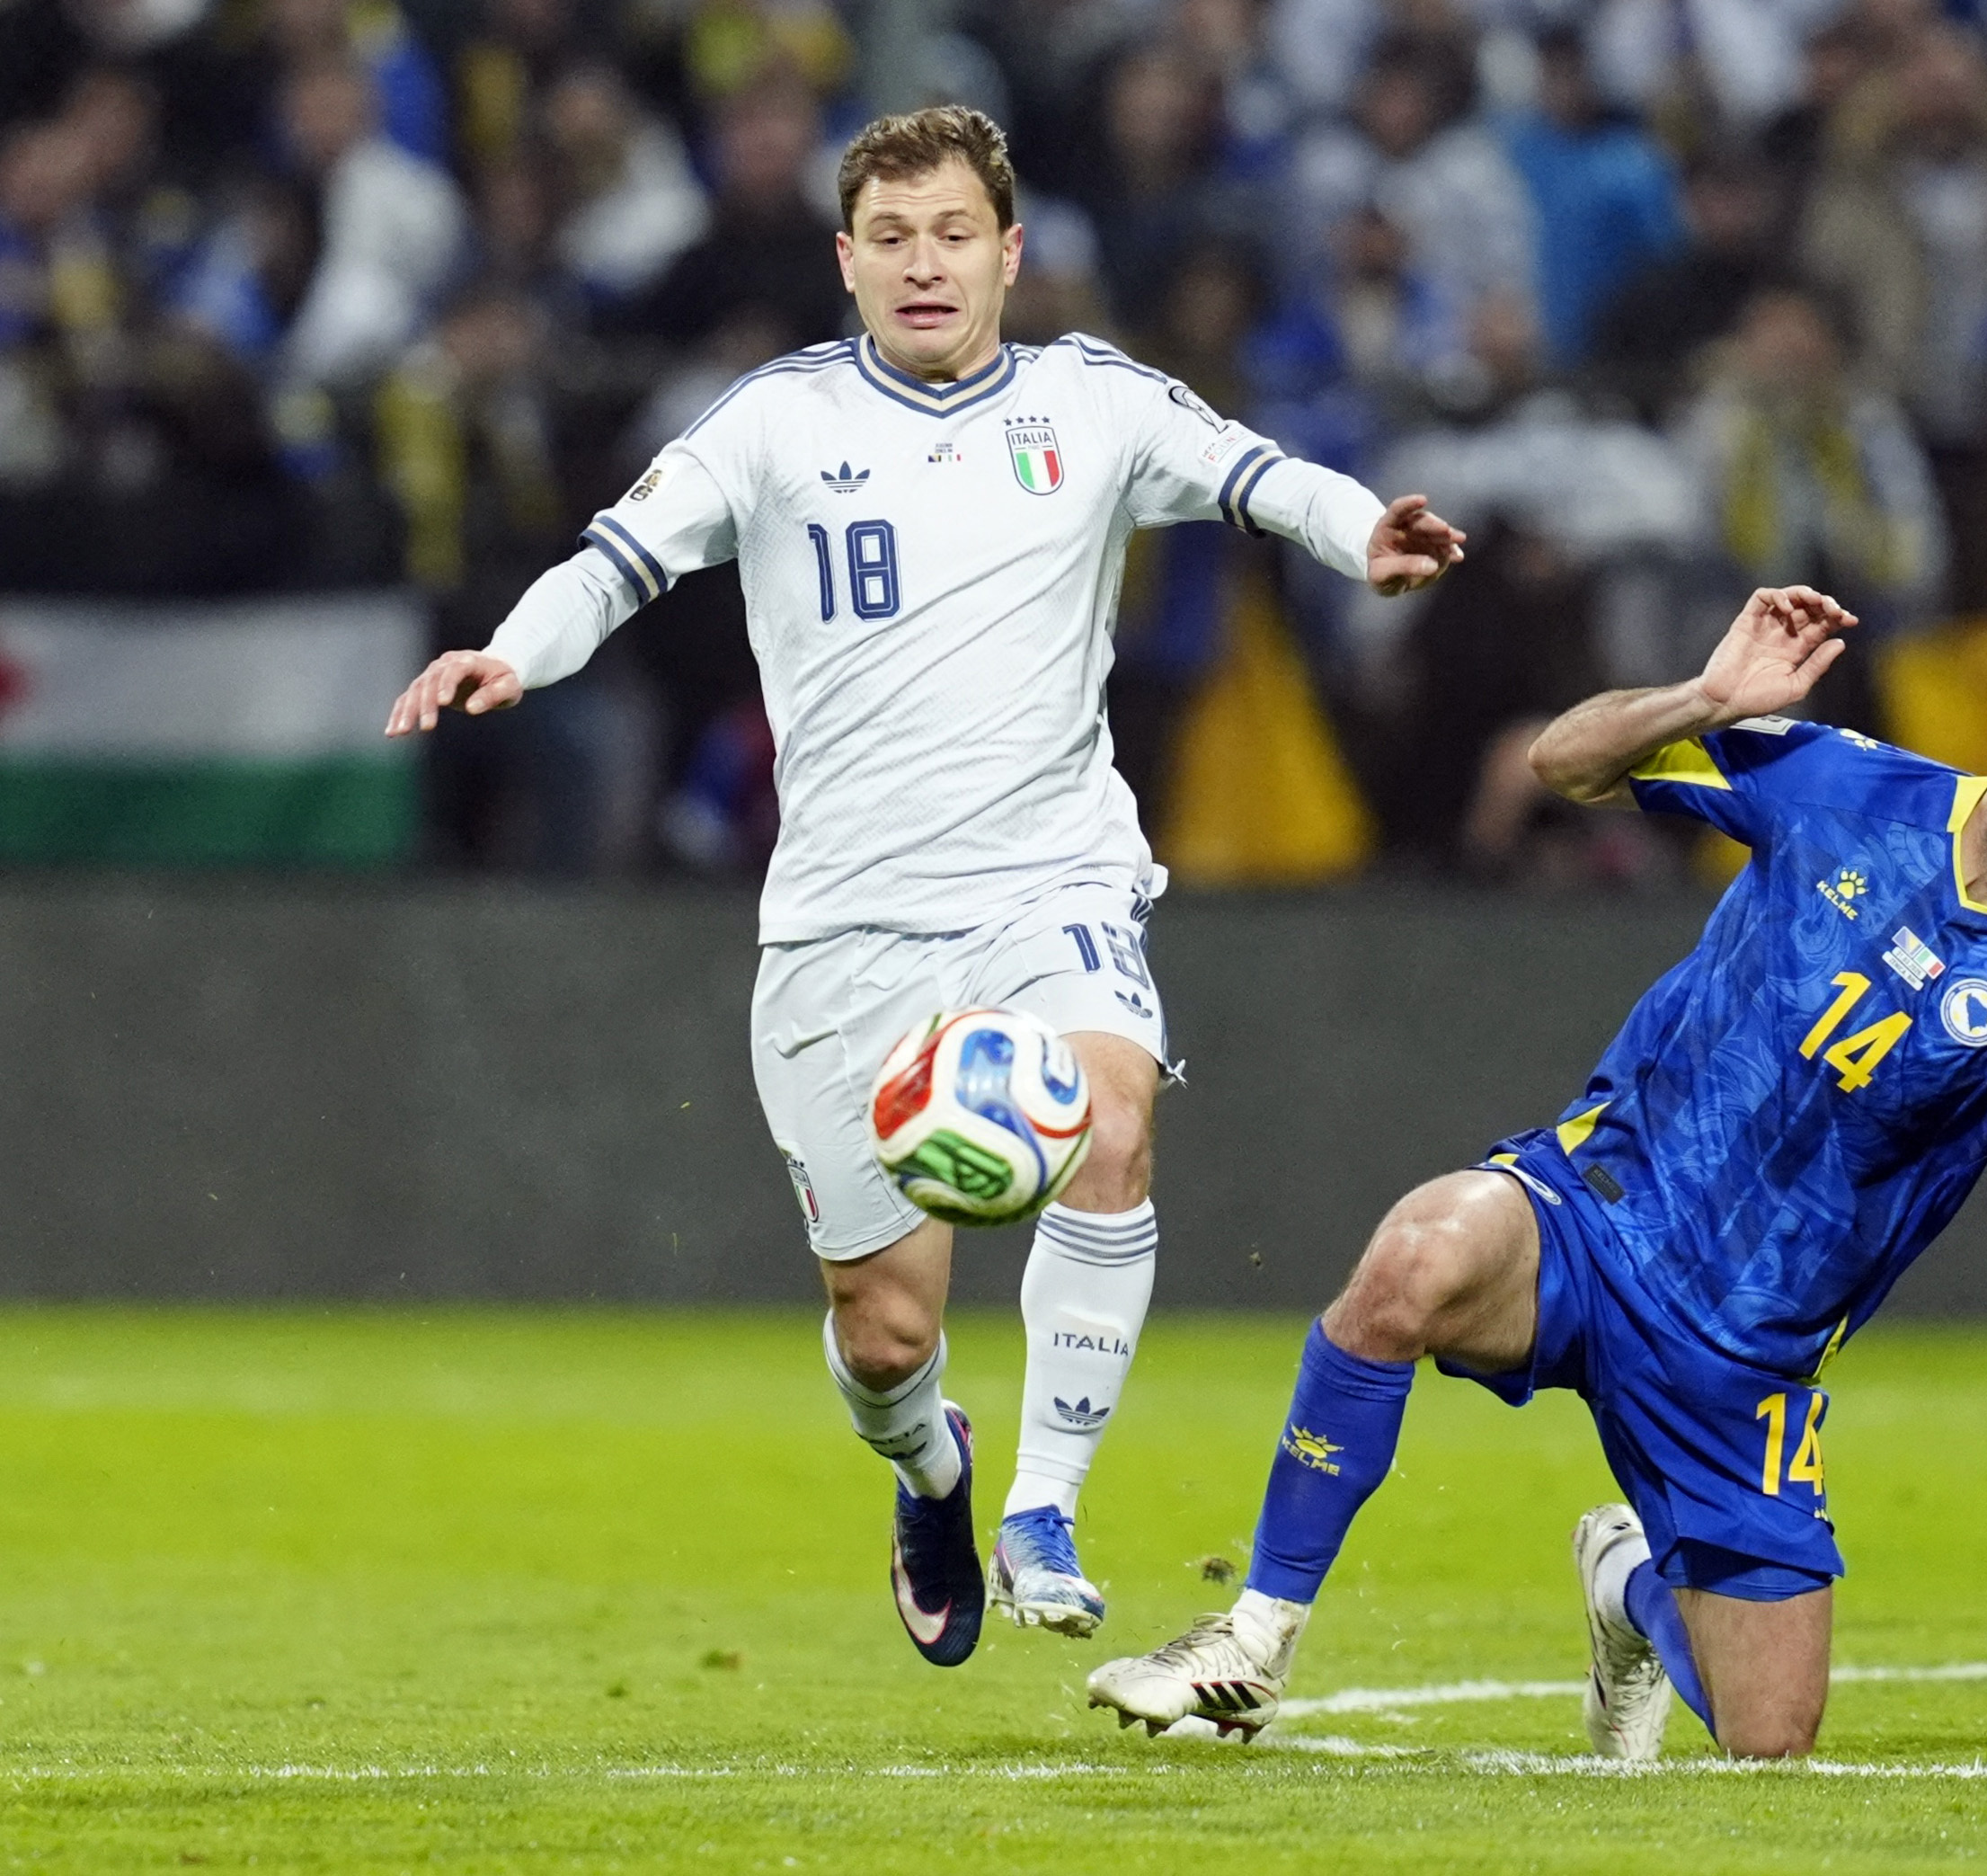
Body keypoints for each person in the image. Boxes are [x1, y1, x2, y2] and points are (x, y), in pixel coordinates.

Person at [383, 105, 1462, 1668]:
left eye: (954, 233)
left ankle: (1042, 1503)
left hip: (1050, 876)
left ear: (1010, 254)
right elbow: (621, 556)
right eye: (890, 239)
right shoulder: (772, 421)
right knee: (882, 1328)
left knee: (1111, 1118)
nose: (924, 264)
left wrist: (1368, 535)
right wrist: (512, 650)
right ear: (846, 261)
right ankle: (931, 1467)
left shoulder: (1092, 402)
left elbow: (1259, 475)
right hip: (843, 924)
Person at [1087, 586, 1987, 1757]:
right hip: (1592, 1217)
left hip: (1741, 1364)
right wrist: (1703, 698)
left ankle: (1629, 1589)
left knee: (1768, 1748)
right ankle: (1251, 1637)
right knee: (1417, 1253)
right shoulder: (1847, 789)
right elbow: (1562, 764)